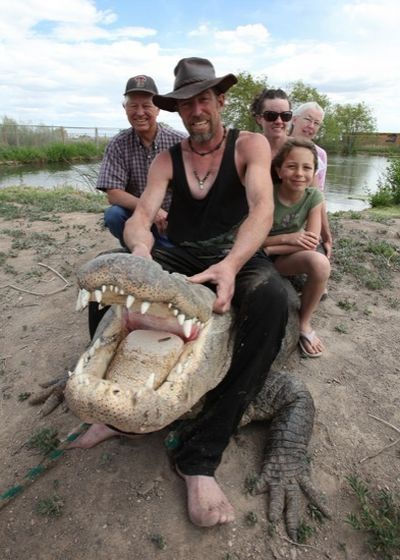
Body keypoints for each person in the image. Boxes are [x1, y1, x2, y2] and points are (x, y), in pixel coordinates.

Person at [71, 57, 288, 529]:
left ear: (220, 100)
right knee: (115, 289)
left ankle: (202, 455)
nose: (196, 111)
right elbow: (141, 215)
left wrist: (231, 265)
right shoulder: (168, 158)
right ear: (178, 111)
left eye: (204, 99)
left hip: (239, 254)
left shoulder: (250, 145)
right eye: (186, 104)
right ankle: (113, 409)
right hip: (182, 253)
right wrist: (142, 250)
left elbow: (261, 211)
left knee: (272, 301)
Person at [96, 74, 186, 248]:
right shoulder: (118, 144)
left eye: (146, 106)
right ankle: (138, 248)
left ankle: (164, 249)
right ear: (125, 108)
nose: (139, 113)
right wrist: (152, 211)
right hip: (137, 217)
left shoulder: (180, 142)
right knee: (114, 215)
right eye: (133, 106)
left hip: (174, 219)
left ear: (158, 109)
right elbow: (113, 193)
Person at [263, 138, 330, 357]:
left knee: (320, 263)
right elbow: (248, 240)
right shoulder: (266, 194)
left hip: (280, 256)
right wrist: (289, 238)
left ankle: (304, 323)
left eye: (307, 167)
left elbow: (310, 241)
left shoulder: (314, 197)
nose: (299, 173)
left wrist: (273, 248)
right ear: (279, 170)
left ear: (314, 172)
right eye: (292, 166)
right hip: (256, 255)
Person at [290, 102, 333, 260]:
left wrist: (326, 235)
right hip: (278, 218)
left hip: (305, 221)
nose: (311, 126)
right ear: (294, 120)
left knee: (318, 257)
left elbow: (318, 195)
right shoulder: (278, 145)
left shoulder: (320, 155)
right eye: (307, 119)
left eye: (316, 123)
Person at [251, 88, 292, 159]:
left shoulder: (301, 150)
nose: (279, 121)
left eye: (285, 115)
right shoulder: (247, 150)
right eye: (271, 115)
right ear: (259, 119)